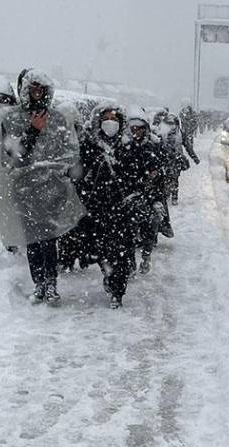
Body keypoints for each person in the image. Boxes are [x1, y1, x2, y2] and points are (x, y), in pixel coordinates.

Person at [0, 69, 84, 305]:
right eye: (33, 89)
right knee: (32, 239)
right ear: (25, 91)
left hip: (51, 189)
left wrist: (62, 174)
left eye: (41, 89)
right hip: (25, 189)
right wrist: (33, 131)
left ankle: (51, 285)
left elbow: (69, 151)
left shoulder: (58, 118)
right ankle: (39, 284)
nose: (37, 94)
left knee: (49, 239)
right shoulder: (12, 119)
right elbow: (13, 156)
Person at [77, 104, 141, 308]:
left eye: (114, 118)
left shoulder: (128, 147)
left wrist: (131, 196)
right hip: (97, 209)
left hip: (121, 210)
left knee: (120, 252)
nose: (110, 122)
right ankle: (108, 274)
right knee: (102, 251)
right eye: (105, 118)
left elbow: (135, 176)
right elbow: (81, 175)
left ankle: (117, 291)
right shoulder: (90, 146)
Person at [122, 109, 167, 275]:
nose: (136, 132)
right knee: (128, 232)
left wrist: (155, 195)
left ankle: (146, 257)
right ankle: (130, 263)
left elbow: (160, 173)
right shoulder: (124, 148)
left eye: (139, 128)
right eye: (133, 129)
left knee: (150, 228)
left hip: (150, 195)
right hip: (130, 196)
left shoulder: (153, 147)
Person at [156, 112, 193, 205]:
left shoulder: (180, 133)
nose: (172, 126)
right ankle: (167, 193)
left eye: (173, 124)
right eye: (170, 124)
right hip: (165, 159)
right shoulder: (162, 133)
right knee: (166, 177)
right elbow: (157, 145)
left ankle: (174, 196)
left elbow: (187, 145)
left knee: (175, 178)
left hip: (177, 159)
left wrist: (194, 157)